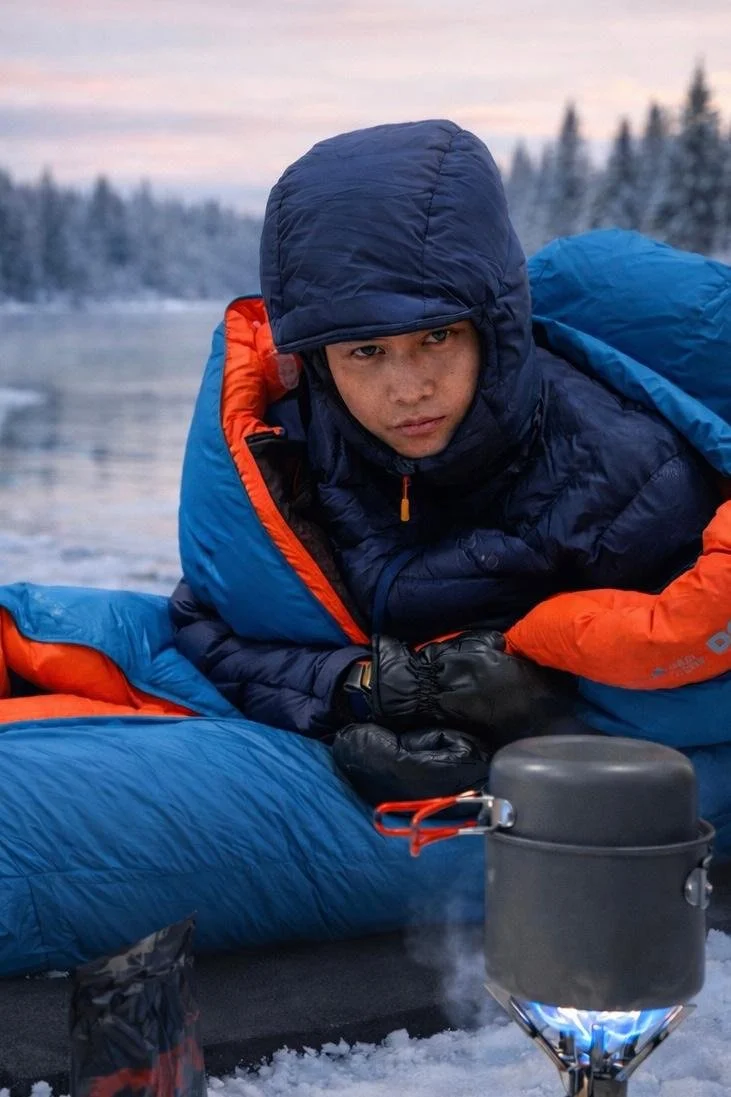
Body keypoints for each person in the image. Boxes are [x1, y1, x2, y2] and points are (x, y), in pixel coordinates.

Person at [170, 120, 719, 801]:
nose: (408, 389)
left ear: (495, 326)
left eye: (436, 336)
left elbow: (700, 692)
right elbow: (203, 619)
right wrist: (362, 690)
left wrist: (538, 726)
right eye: (363, 352)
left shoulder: (625, 481)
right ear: (314, 358)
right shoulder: (287, 455)